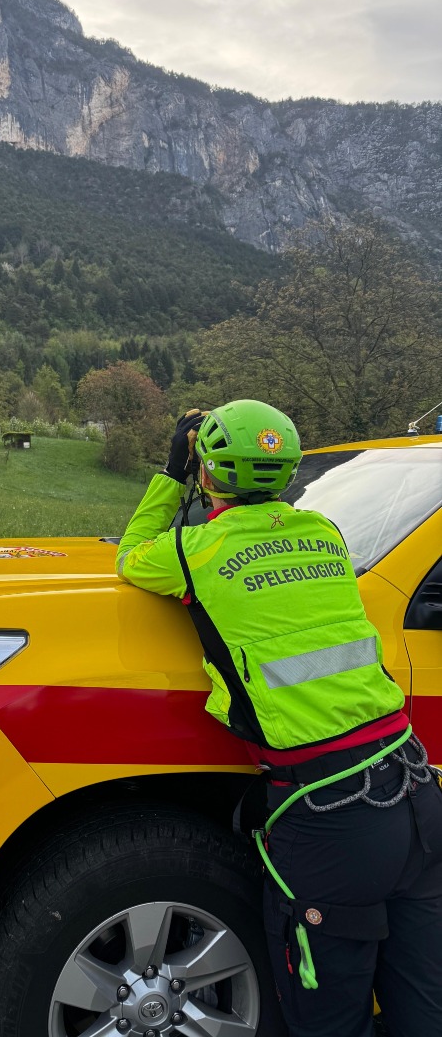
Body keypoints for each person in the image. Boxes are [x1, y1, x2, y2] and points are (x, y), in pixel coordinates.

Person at [116, 399, 442, 1037]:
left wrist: (172, 471)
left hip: (331, 819)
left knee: (329, 1019)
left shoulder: (195, 551)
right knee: (423, 1010)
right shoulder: (326, 534)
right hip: (415, 795)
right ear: (291, 472)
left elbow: (130, 554)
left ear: (207, 472)